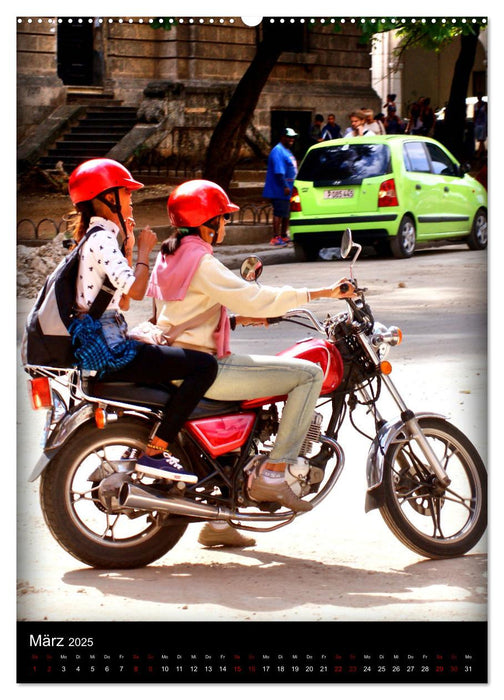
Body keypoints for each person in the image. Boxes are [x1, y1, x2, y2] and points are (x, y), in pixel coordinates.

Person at [146, 179, 355, 513]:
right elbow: (256, 298)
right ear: (207, 222)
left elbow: (181, 313)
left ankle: (219, 521)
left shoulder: (169, 256)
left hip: (178, 358)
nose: (226, 223)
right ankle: (275, 471)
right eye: (223, 217)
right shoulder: (201, 261)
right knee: (309, 374)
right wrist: (320, 293)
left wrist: (237, 320)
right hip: (206, 366)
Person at [67, 158, 218, 483]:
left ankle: (141, 447)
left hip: (106, 340)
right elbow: (136, 292)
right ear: (108, 198)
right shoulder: (101, 240)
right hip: (107, 349)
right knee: (205, 366)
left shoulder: (98, 238)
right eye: (126, 194)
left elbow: (120, 299)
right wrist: (144, 253)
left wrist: (131, 245)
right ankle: (156, 450)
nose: (131, 200)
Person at [263, 127, 298, 247]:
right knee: (279, 212)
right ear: (283, 137)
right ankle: (275, 237)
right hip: (280, 188)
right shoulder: (278, 151)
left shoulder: (287, 150)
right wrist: (284, 186)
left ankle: (283, 235)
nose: (291, 140)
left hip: (289, 187)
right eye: (289, 137)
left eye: (293, 137)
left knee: (286, 212)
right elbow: (279, 172)